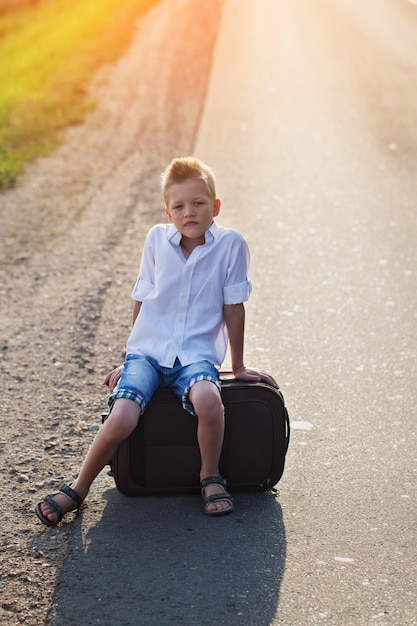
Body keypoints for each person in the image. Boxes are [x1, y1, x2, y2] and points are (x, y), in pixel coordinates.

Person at [35, 156, 278, 525]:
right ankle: (78, 488)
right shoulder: (156, 240)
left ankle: (210, 477)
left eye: (198, 203)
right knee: (122, 418)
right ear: (168, 212)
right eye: (179, 206)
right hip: (147, 354)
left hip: (196, 356)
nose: (189, 212)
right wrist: (131, 355)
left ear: (215, 206)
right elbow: (143, 296)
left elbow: (234, 308)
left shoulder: (231, 245)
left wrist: (239, 366)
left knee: (210, 401)